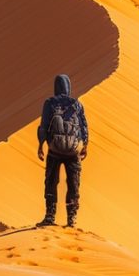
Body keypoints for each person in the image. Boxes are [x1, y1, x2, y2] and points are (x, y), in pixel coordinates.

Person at [35, 74, 89, 228]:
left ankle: (50, 217)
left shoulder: (50, 103)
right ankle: (72, 219)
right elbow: (84, 126)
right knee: (73, 184)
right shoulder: (77, 104)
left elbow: (44, 126)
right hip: (73, 151)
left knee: (51, 181)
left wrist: (40, 145)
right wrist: (85, 145)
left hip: (54, 150)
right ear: (69, 87)